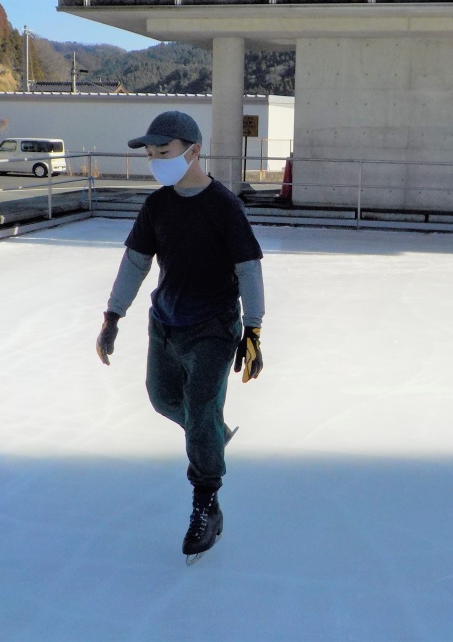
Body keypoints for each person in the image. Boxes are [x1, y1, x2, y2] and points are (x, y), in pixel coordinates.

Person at [95, 111, 265, 560]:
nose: (156, 161)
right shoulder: (157, 206)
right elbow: (136, 262)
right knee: (163, 398)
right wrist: (113, 315)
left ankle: (207, 503)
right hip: (166, 324)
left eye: (163, 151)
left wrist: (253, 329)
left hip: (213, 327)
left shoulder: (224, 206)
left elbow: (248, 269)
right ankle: (211, 434)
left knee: (201, 406)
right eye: (151, 154)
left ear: (193, 151)